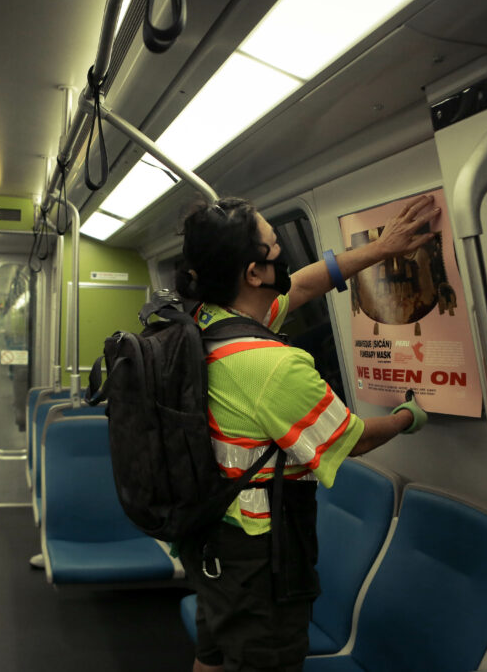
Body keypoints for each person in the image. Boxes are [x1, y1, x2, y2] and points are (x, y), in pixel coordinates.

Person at [175, 194, 438, 672]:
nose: (283, 251)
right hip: (257, 554)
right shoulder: (271, 366)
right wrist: (407, 417)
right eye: (274, 244)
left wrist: (382, 249)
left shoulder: (206, 325)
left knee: (213, 650)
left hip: (212, 531)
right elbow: (352, 438)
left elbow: (300, 288)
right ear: (253, 273)